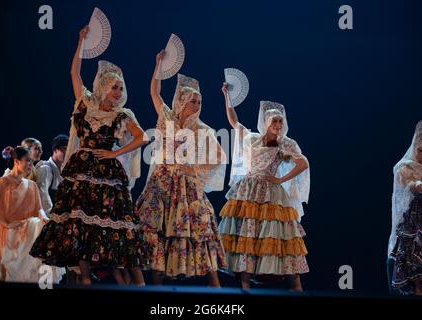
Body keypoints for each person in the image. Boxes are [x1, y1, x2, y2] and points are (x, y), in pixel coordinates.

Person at [30, 26, 148, 286]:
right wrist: (80, 41)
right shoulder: (84, 103)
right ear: (103, 87)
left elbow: (143, 138)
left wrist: (115, 153)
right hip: (81, 168)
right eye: (114, 87)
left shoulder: (121, 115)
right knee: (79, 224)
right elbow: (74, 73)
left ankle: (133, 283)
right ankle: (85, 279)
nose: (118, 92)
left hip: (106, 172)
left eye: (120, 88)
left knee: (115, 226)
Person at [136, 50, 227, 286]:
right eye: (192, 101)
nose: (196, 105)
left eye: (199, 102)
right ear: (181, 101)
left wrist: (194, 168)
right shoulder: (167, 118)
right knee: (157, 226)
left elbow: (220, 155)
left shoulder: (202, 129)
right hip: (161, 180)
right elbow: (154, 92)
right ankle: (156, 283)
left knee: (197, 229)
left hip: (186, 186)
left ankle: (214, 284)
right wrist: (158, 65)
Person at [218, 83, 310, 290]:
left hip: (271, 192)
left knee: (277, 235)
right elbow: (234, 122)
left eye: (280, 121)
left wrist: (280, 179)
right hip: (248, 190)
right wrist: (227, 97)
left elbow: (303, 163)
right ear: (266, 122)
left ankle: (296, 287)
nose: (278, 124)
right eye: (274, 121)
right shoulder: (252, 139)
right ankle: (245, 287)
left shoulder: (286, 143)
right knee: (247, 235)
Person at [0, 146, 63, 282]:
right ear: (16, 161)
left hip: (29, 229)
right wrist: (7, 224)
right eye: (27, 161)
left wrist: (45, 219)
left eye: (32, 162)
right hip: (11, 229)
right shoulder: (3, 182)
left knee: (44, 227)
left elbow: (39, 210)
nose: (30, 165)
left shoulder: (32, 185)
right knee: (38, 231)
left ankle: (44, 282)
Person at [389, 121, 422, 295]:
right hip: (413, 227)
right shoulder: (405, 168)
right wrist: (416, 184)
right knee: (416, 274)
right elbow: (408, 185)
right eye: (420, 150)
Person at [35, 134, 68, 214]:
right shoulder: (45, 168)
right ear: (56, 150)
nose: (67, 153)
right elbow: (41, 196)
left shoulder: (65, 171)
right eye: (64, 149)